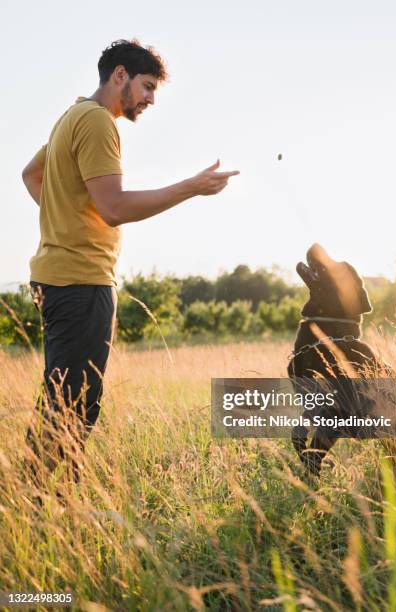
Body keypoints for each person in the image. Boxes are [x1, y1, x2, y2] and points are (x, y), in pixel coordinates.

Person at [21, 39, 239, 486]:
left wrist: (65, 220)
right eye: (147, 86)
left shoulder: (70, 117)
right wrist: (189, 188)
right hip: (81, 284)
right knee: (72, 408)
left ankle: (50, 505)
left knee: (65, 402)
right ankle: (31, 507)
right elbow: (115, 208)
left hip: (58, 279)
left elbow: (32, 174)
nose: (151, 99)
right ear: (119, 75)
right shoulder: (99, 122)